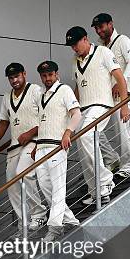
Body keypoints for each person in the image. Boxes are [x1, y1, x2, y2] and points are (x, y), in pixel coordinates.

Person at [65, 26, 130, 205]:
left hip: (101, 105)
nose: (74, 48)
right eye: (71, 45)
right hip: (83, 109)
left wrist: (124, 106)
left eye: (76, 43)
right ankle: (96, 191)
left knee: (86, 136)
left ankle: (106, 181)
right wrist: (73, 110)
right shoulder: (74, 61)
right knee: (83, 144)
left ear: (85, 39)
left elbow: (120, 78)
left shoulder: (103, 52)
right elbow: (78, 87)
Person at [0, 62, 47, 237]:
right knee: (11, 182)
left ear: (24, 74)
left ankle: (39, 213)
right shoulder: (7, 97)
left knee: (24, 172)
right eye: (11, 78)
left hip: (34, 139)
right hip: (15, 144)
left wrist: (30, 133)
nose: (14, 80)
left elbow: (47, 115)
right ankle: (25, 223)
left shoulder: (35, 90)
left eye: (17, 76)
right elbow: (4, 122)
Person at [33, 61, 82, 241]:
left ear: (56, 74)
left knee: (58, 189)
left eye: (50, 75)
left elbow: (77, 114)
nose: (47, 78)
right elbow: (42, 122)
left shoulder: (65, 90)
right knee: (47, 189)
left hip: (56, 146)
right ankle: (71, 221)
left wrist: (68, 132)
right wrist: (36, 145)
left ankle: (54, 228)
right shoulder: (40, 96)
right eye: (44, 75)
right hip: (41, 147)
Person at [92, 13, 130, 178]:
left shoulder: (123, 40)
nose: (99, 31)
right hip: (102, 96)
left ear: (111, 24)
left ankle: (127, 166)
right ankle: (112, 158)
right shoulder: (98, 46)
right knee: (92, 128)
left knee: (122, 130)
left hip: (121, 95)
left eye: (101, 27)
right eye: (96, 28)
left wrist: (122, 82)